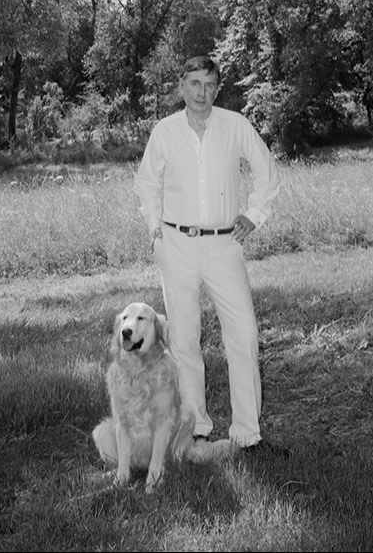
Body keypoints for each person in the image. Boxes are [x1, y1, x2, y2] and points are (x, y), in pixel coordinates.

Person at [133, 55, 281, 453]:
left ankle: (248, 434)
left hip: (223, 243)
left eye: (209, 85)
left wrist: (254, 214)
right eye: (194, 84)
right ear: (181, 86)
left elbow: (267, 168)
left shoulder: (234, 126)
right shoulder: (164, 132)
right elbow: (147, 183)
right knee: (183, 340)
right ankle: (196, 427)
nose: (202, 93)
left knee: (244, 334)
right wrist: (154, 229)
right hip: (176, 243)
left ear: (218, 88)